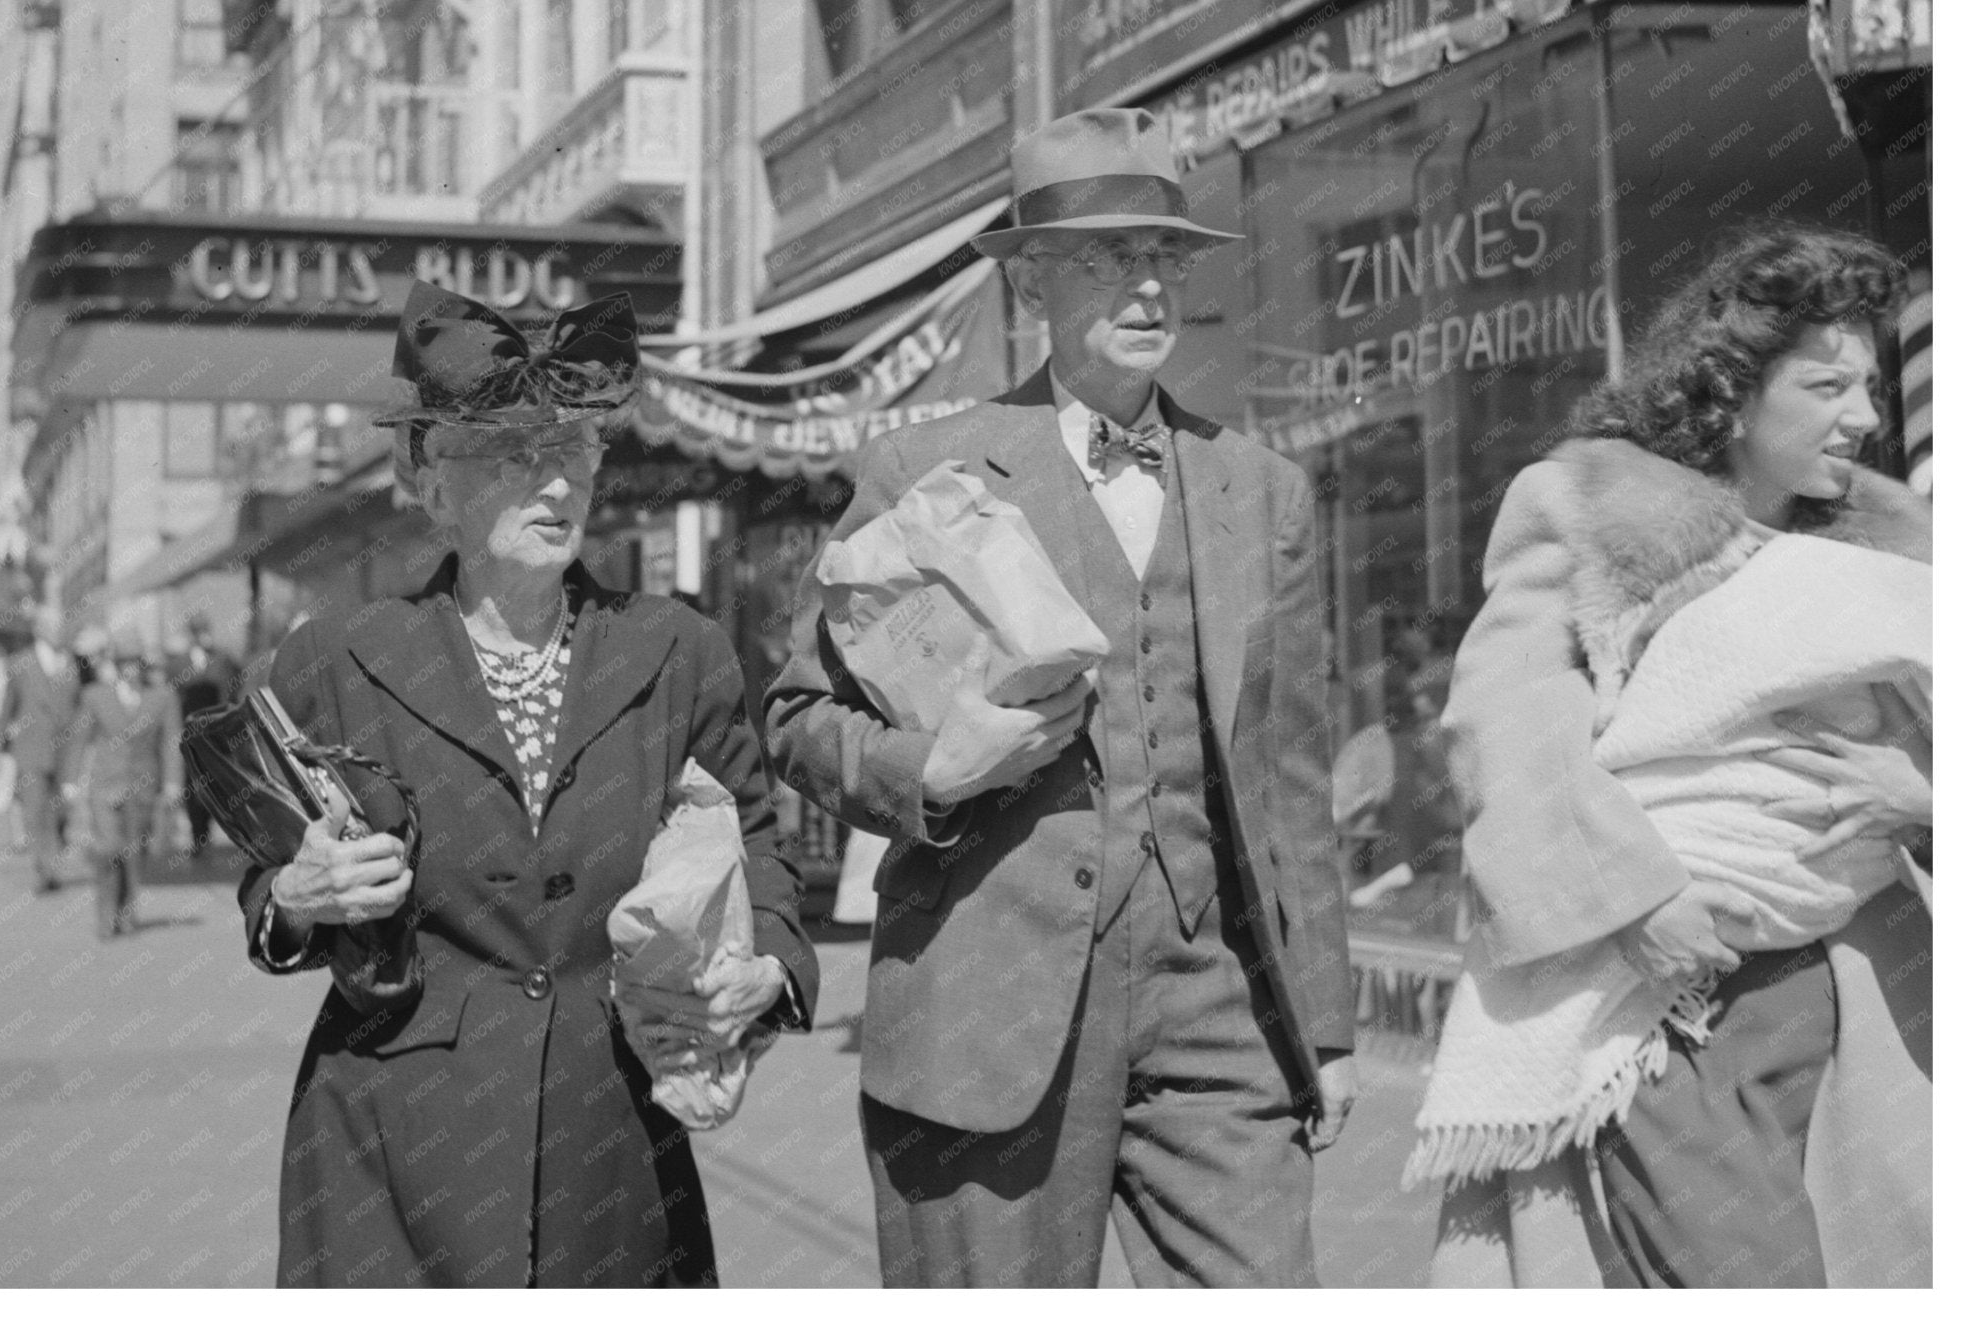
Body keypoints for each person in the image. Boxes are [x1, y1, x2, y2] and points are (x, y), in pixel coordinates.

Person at [765, 107, 1356, 1287]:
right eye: (1102, 258)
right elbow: (794, 717)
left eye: (1164, 257)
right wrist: (928, 769)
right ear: (1031, 284)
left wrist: (1326, 1025)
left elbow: (1289, 778)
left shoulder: (1261, 489)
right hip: (990, 1009)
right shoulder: (924, 470)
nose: (1145, 288)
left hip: (1216, 1003)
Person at [240, 281, 818, 1288]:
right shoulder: (336, 661)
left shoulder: (676, 649)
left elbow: (757, 847)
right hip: (391, 1150)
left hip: (615, 1148)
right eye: (514, 454)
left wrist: (766, 963)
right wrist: (297, 895)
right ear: (429, 477)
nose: (554, 485)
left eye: (573, 452)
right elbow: (269, 885)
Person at [1416, 225, 1931, 1287]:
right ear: (1731, 386)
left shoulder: (1896, 546)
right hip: (1678, 1003)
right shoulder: (1592, 514)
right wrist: (1632, 897)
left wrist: (1922, 791)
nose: (1866, 418)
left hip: (1875, 985)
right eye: (1826, 384)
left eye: (1869, 385)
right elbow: (1507, 735)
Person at [63, 635, 184, 937]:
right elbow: (79, 738)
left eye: (134, 664)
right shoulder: (95, 696)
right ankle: (105, 917)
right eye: (123, 664)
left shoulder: (163, 697)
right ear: (115, 666)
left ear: (143, 667)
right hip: (105, 787)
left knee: (133, 853)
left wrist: (172, 783)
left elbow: (171, 742)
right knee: (107, 849)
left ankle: (126, 913)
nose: (129, 670)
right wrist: (71, 779)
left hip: (143, 787)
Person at [0, 612, 86, 892]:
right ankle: (44, 870)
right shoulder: (20, 662)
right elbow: (9, 704)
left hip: (65, 751)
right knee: (35, 812)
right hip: (32, 749)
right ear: (39, 629)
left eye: (61, 627)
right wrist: (2, 734)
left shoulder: (72, 663)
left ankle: (53, 859)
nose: (58, 632)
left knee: (59, 813)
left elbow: (79, 704)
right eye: (52, 626)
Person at [173, 625, 234, 854]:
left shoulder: (221, 660)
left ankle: (209, 829)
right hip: (189, 732)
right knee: (192, 783)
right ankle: (198, 836)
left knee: (214, 782)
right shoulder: (179, 663)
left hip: (214, 732)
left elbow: (230, 690)